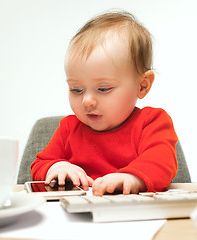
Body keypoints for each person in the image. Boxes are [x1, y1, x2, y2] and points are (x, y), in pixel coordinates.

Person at [31, 10, 178, 196]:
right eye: (76, 89)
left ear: (142, 86)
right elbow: (39, 166)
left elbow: (162, 163)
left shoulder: (152, 122)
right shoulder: (69, 129)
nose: (87, 101)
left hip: (134, 214)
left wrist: (132, 178)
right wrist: (56, 167)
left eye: (103, 89)